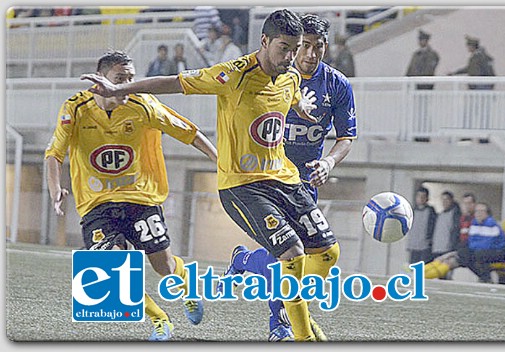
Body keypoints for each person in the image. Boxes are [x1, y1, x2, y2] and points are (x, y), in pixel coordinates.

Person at [81, 9, 337, 342]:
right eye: (284, 48)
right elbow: (173, 82)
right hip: (244, 185)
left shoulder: (290, 77)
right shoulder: (233, 75)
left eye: (296, 49)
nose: (291, 57)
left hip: (284, 179)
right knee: (292, 255)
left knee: (328, 253)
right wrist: (120, 89)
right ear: (264, 41)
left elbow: (288, 94)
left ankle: (265, 279)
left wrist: (299, 106)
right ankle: (303, 336)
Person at [48, 50, 217, 341]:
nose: (127, 84)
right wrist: (55, 190)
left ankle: (186, 284)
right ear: (101, 79)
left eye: (131, 78)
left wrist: (219, 161)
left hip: (141, 197)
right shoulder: (75, 107)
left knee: (163, 266)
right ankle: (160, 321)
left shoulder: (143, 103)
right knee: (113, 269)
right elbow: (54, 154)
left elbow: (188, 132)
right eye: (120, 78)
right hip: (97, 203)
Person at [216, 13, 357, 342]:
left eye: (318, 47)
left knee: (304, 257)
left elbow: (346, 136)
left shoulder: (337, 85)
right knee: (290, 256)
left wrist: (330, 163)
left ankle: (244, 260)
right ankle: (280, 325)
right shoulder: (276, 72)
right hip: (265, 181)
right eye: (304, 46)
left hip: (303, 184)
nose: (310, 54)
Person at [424, 202, 505, 283]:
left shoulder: (491, 224)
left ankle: (485, 277)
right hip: (481, 251)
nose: (478, 213)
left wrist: (467, 250)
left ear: (487, 213)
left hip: (500, 252)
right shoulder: (475, 223)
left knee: (472, 255)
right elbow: (472, 241)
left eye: (481, 211)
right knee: (464, 250)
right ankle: (484, 277)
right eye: (477, 211)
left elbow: (487, 244)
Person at [430, 191, 461, 279]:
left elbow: (455, 231)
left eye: (447, 200)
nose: (444, 202)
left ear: (451, 200)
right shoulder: (440, 215)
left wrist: (453, 246)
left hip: (448, 249)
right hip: (437, 248)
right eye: (442, 200)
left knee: (446, 274)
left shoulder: (455, 214)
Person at [405, 186, 436, 265]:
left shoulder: (431, 211)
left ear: (427, 198)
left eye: (423, 197)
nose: (421, 199)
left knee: (424, 270)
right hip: (413, 246)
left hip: (425, 247)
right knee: (412, 269)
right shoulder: (412, 211)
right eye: (419, 196)